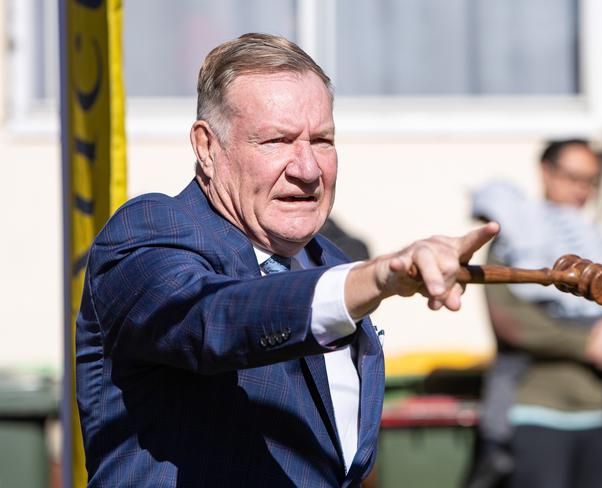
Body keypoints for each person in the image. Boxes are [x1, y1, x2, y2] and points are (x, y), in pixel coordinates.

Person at [75, 33, 499, 487]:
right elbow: (212, 319)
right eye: (276, 140)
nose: (308, 169)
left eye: (321, 140)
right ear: (206, 147)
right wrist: (374, 277)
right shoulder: (152, 232)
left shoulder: (331, 262)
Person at [467, 140, 602, 488]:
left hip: (601, 414)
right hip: (536, 413)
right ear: (546, 174)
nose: (583, 189)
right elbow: (512, 322)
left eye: (591, 181)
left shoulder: (598, 241)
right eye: (574, 177)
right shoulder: (514, 240)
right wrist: (587, 345)